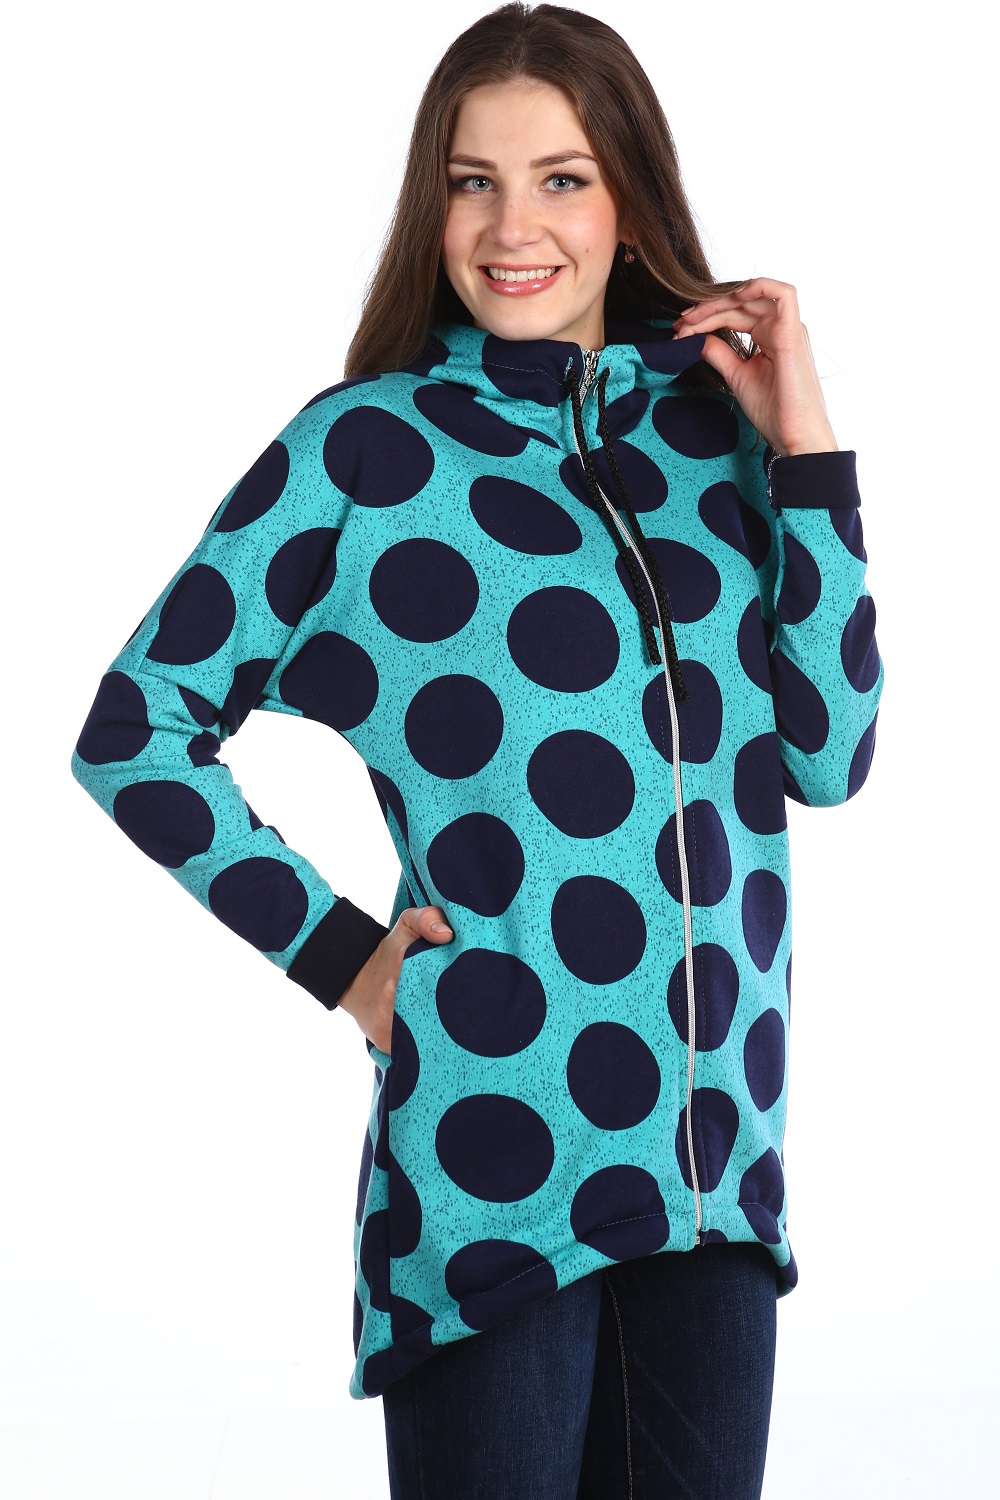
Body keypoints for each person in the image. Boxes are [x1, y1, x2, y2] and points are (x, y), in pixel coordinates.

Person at [71, 3, 885, 1495]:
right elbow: (137, 731)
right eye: (473, 182)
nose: (515, 228)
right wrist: (347, 960)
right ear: (430, 205)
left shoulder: (717, 441)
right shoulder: (368, 452)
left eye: (562, 179)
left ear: (629, 202)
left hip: (716, 1176)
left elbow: (830, 753)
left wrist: (807, 454)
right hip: (494, 1172)